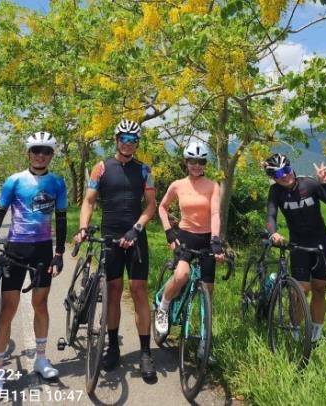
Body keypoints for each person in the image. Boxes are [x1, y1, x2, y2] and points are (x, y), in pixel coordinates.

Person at [0, 131, 67, 394]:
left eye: (46, 151)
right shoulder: (14, 181)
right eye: (36, 150)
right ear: (29, 153)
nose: (40, 155)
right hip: (15, 250)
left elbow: (61, 219)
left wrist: (59, 253)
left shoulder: (58, 183)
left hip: (42, 252)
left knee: (40, 305)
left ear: (51, 155)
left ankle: (40, 358)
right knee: (8, 310)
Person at [75, 119, 157, 381]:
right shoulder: (100, 169)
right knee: (113, 291)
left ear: (138, 143)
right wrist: (84, 227)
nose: (128, 143)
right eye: (124, 138)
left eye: (133, 140)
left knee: (139, 290)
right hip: (110, 237)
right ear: (116, 139)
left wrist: (137, 228)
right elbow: (88, 201)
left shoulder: (145, 170)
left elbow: (151, 205)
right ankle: (112, 347)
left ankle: (145, 352)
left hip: (136, 236)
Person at [263, 153, 326, 342]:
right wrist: (273, 233)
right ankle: (295, 329)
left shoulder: (310, 184)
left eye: (287, 169)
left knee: (319, 288)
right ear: (273, 178)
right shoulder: (276, 192)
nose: (285, 175)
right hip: (298, 245)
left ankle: (316, 332)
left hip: (320, 243)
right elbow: (271, 215)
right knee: (300, 290)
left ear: (292, 168)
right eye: (279, 173)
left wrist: (325, 184)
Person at [155, 142, 224, 356]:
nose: (196, 165)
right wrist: (169, 232)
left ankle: (204, 344)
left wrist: (215, 240)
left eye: (201, 161)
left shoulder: (213, 186)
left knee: (207, 292)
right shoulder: (178, 185)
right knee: (182, 275)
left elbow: (214, 214)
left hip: (206, 239)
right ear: (186, 162)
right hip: (185, 237)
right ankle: (164, 307)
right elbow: (162, 207)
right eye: (192, 161)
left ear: (205, 164)